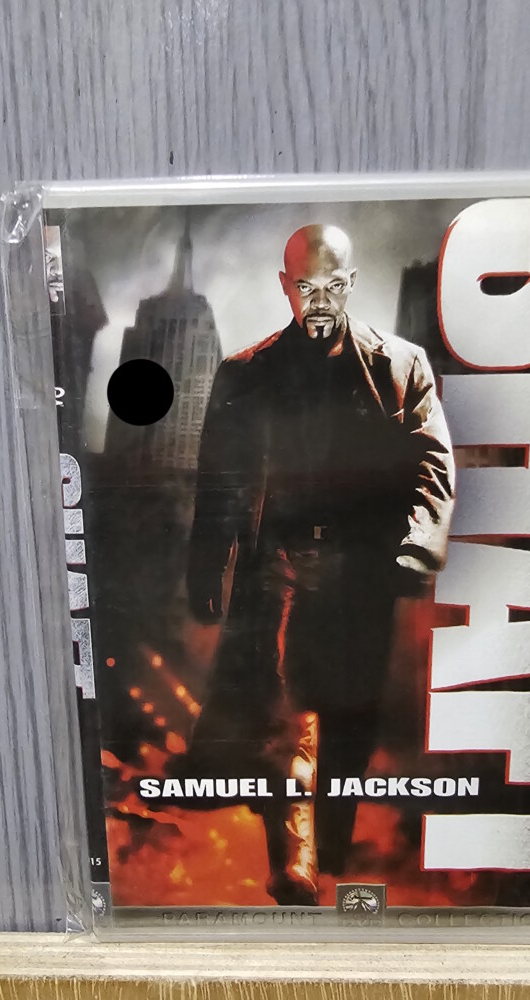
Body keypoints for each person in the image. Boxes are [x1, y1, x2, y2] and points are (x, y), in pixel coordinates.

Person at [177, 224, 455, 905]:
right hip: (279, 560)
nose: (320, 299)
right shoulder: (245, 373)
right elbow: (219, 479)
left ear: (351, 284)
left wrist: (416, 548)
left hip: (363, 567)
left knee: (351, 714)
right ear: (285, 286)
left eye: (332, 285)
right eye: (306, 286)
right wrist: (207, 564)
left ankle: (327, 851)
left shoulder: (400, 366)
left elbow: (432, 461)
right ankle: (293, 862)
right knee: (287, 710)